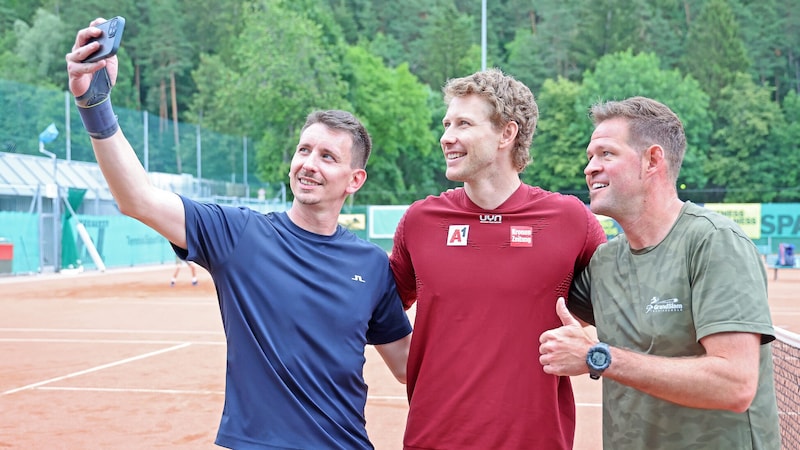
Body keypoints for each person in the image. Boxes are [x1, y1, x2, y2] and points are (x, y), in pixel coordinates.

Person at [66, 19, 412, 450]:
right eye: (304, 150)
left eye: (327, 156)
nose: (309, 163)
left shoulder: (371, 265)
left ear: (354, 179)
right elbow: (138, 198)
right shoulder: (240, 234)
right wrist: (94, 102)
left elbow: (406, 365)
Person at [538, 96, 781, 449]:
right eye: (590, 157)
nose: (590, 168)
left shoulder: (713, 242)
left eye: (606, 154)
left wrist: (597, 357)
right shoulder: (604, 263)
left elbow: (735, 384)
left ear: (653, 160)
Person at [389, 68, 606, 449]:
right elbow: (379, 305)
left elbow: (623, 310)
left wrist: (590, 348)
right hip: (433, 440)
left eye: (463, 124)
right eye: (446, 124)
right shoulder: (420, 221)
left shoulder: (572, 221)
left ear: (507, 133)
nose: (446, 137)